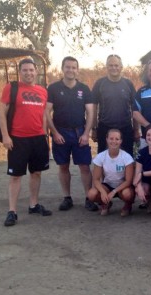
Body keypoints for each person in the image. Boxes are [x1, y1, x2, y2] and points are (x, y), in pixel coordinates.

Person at [0, 58, 51, 226]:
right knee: (16, 176)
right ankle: (12, 211)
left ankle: (33, 204)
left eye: (31, 70)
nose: (28, 73)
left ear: (36, 71)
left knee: (36, 173)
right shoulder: (11, 88)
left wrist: (45, 136)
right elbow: (2, 114)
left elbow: (43, 115)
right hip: (18, 139)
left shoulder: (42, 91)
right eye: (25, 70)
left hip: (38, 138)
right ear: (20, 72)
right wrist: (6, 137)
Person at [45, 56, 97, 212]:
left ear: (77, 70)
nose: (71, 70)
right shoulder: (53, 88)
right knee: (63, 166)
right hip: (60, 132)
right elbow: (46, 112)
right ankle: (67, 198)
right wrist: (54, 132)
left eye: (74, 67)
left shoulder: (84, 89)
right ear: (62, 69)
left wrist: (86, 133)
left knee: (85, 166)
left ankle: (89, 197)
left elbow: (90, 112)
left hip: (79, 132)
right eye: (67, 67)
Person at [91, 54, 138, 155]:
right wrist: (94, 129)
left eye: (116, 65)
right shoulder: (99, 84)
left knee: (127, 159)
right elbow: (93, 108)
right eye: (111, 65)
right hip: (105, 128)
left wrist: (136, 129)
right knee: (103, 159)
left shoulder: (128, 84)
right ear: (106, 67)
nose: (114, 68)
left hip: (125, 127)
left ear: (121, 67)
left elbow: (135, 108)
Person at [87, 129, 135, 217]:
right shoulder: (100, 156)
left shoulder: (126, 157)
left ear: (121, 141)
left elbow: (128, 181)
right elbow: (96, 179)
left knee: (127, 194)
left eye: (117, 139)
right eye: (111, 138)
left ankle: (128, 205)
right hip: (107, 185)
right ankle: (105, 203)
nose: (114, 141)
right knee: (91, 194)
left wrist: (114, 192)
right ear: (106, 139)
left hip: (122, 186)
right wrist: (103, 192)